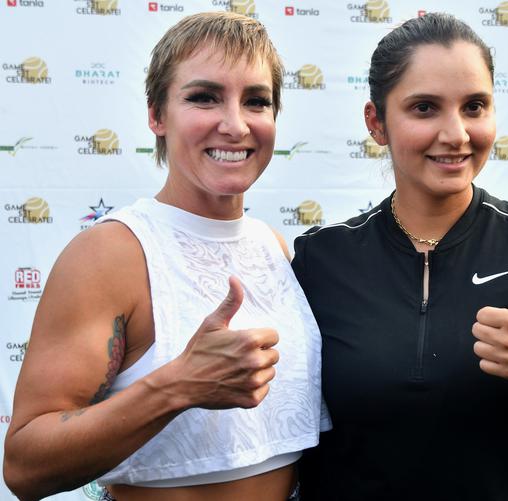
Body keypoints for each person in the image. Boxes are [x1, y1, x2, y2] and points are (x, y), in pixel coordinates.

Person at [292, 12, 508, 501]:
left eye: (474, 106)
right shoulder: (320, 258)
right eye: (424, 108)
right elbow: (288, 441)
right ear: (376, 122)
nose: (456, 134)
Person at [3, 12, 327, 501]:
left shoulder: (273, 244)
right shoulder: (112, 253)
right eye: (204, 97)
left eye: (256, 101)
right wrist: (178, 384)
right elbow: (26, 466)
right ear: (157, 115)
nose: (235, 124)